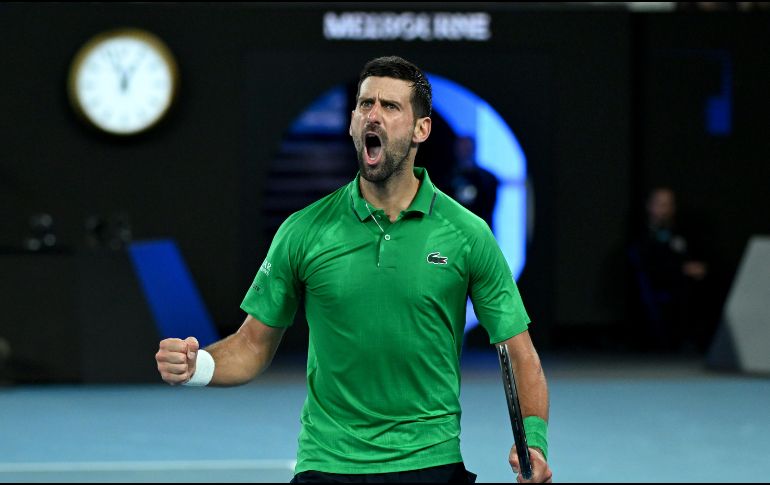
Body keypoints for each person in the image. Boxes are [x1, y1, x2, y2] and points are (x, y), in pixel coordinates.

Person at [156, 56, 552, 484]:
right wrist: (197, 366)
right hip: (328, 463)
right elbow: (252, 345)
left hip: (429, 461)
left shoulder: (468, 234)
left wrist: (533, 442)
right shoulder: (303, 230)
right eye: (365, 104)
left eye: (390, 106)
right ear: (351, 123)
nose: (373, 115)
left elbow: (520, 354)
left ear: (421, 129)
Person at [628, 187, 711, 352]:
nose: (665, 210)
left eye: (669, 205)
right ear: (649, 206)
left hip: (686, 287)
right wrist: (681, 270)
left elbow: (693, 257)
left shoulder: (681, 234)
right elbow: (646, 266)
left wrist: (698, 268)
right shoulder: (640, 236)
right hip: (657, 289)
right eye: (660, 204)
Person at [449, 136, 499, 232]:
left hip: (480, 232)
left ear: (473, 149)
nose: (463, 151)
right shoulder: (447, 178)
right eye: (461, 147)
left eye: (466, 147)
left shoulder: (487, 179)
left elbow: (488, 209)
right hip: (454, 232)